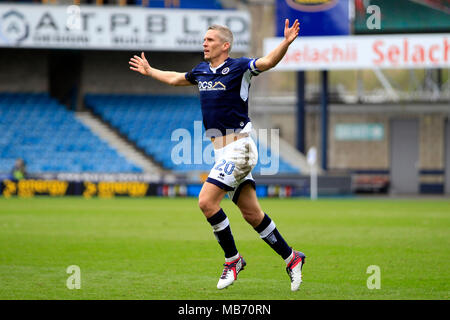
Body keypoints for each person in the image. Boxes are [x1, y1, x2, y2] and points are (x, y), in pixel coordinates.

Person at [129, 19, 306, 291]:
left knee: (206, 202)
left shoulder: (238, 68)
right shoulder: (201, 71)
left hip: (240, 149)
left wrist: (285, 43)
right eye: (204, 39)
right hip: (222, 152)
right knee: (251, 214)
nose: (204, 43)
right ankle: (291, 257)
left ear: (225, 45)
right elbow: (177, 78)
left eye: (210, 40)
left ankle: (232, 259)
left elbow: (268, 62)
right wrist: (151, 71)